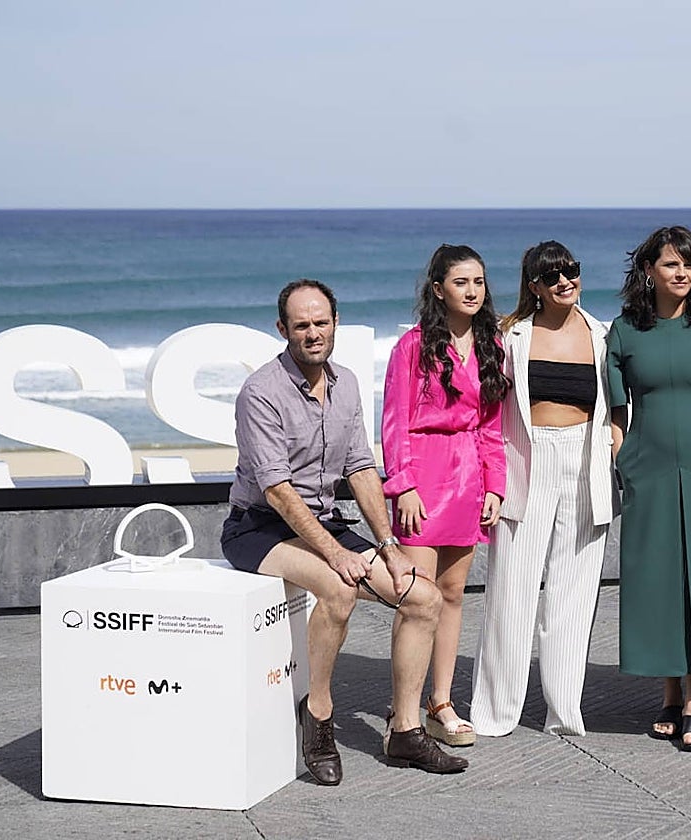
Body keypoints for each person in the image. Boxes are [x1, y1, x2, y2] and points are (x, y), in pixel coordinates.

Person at [221, 278, 467, 783]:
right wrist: (336, 554)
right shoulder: (261, 393)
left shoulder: (347, 383)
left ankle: (404, 731)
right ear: (283, 329)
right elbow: (277, 490)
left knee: (422, 597)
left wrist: (389, 546)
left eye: (321, 322)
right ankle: (319, 715)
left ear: (335, 322)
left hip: (325, 522)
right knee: (338, 589)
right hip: (258, 527)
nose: (313, 333)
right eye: (302, 325)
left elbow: (359, 467)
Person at [606, 225, 691, 752]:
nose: (681, 272)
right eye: (669, 264)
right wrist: (621, 458)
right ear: (649, 271)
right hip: (649, 466)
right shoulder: (624, 330)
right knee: (659, 579)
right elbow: (617, 410)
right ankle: (667, 692)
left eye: (688, 263)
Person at [470, 241, 618, 737]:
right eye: (551, 276)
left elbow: (621, 399)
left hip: (585, 460)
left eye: (571, 271)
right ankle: (495, 712)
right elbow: (488, 410)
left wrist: (617, 438)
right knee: (511, 589)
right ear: (533, 285)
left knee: (573, 596)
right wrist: (488, 478)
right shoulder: (510, 335)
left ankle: (563, 711)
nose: (564, 281)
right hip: (526, 462)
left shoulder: (602, 333)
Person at [381, 244, 509, 747]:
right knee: (418, 598)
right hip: (423, 478)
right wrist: (404, 485)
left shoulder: (491, 345)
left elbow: (491, 427)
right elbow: (393, 424)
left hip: (468, 480)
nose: (472, 290)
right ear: (438, 290)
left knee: (454, 595)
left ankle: (440, 703)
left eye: (478, 281)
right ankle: (404, 713)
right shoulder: (412, 347)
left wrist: (494, 485)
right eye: (461, 282)